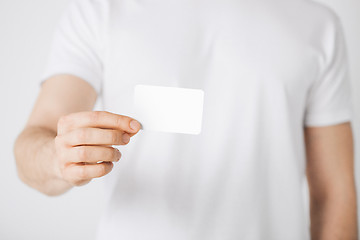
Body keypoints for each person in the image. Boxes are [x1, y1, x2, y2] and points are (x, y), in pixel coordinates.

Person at [14, 0, 358, 239]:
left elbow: (335, 192)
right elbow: (36, 139)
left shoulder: (318, 25)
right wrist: (58, 158)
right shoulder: (99, 10)